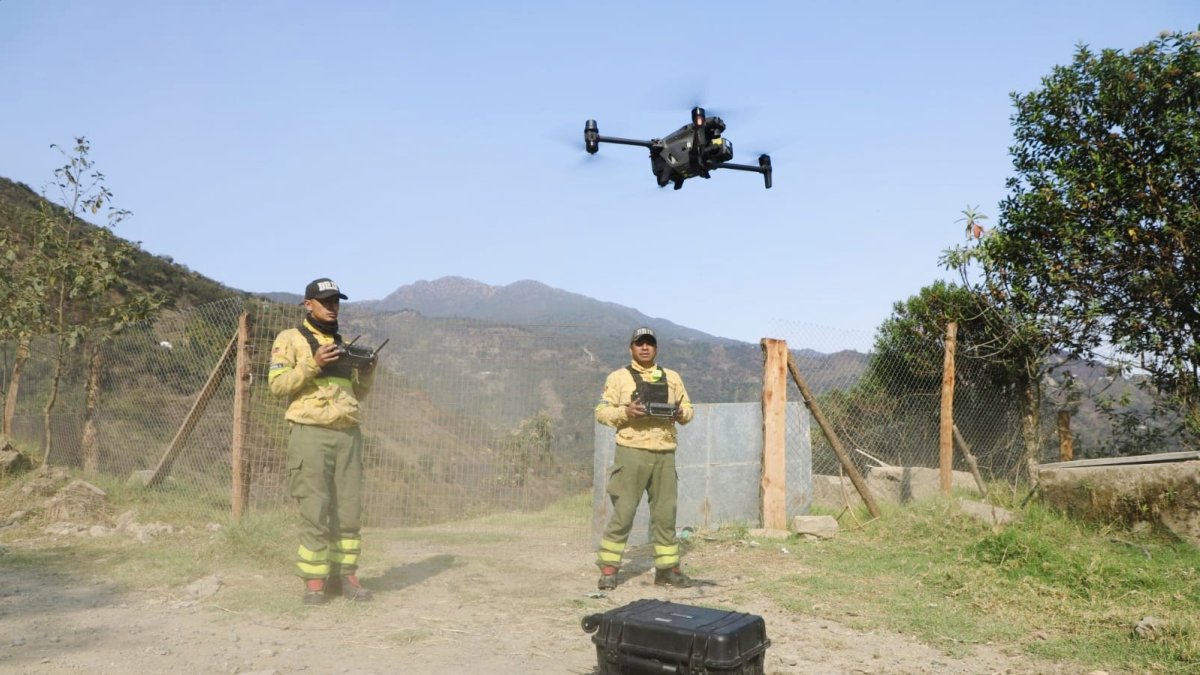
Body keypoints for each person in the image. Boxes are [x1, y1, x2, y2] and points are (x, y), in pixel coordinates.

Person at [269, 277, 377, 605]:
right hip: (310, 434)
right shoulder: (290, 340)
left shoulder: (342, 344)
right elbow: (277, 385)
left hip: (347, 435)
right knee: (315, 508)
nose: (332, 308)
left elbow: (357, 394)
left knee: (349, 508)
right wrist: (313, 364)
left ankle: (345, 575)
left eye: (336, 302)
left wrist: (369, 371)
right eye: (326, 301)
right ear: (308, 304)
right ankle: (314, 581)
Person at [594, 327, 695, 590]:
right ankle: (608, 569)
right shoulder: (618, 378)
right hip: (631, 452)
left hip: (664, 453)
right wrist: (626, 412)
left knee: (665, 515)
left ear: (656, 348)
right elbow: (602, 412)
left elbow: (688, 408)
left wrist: (679, 414)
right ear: (631, 348)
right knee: (624, 512)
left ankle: (667, 571)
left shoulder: (672, 377)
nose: (645, 348)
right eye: (640, 344)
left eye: (650, 343)